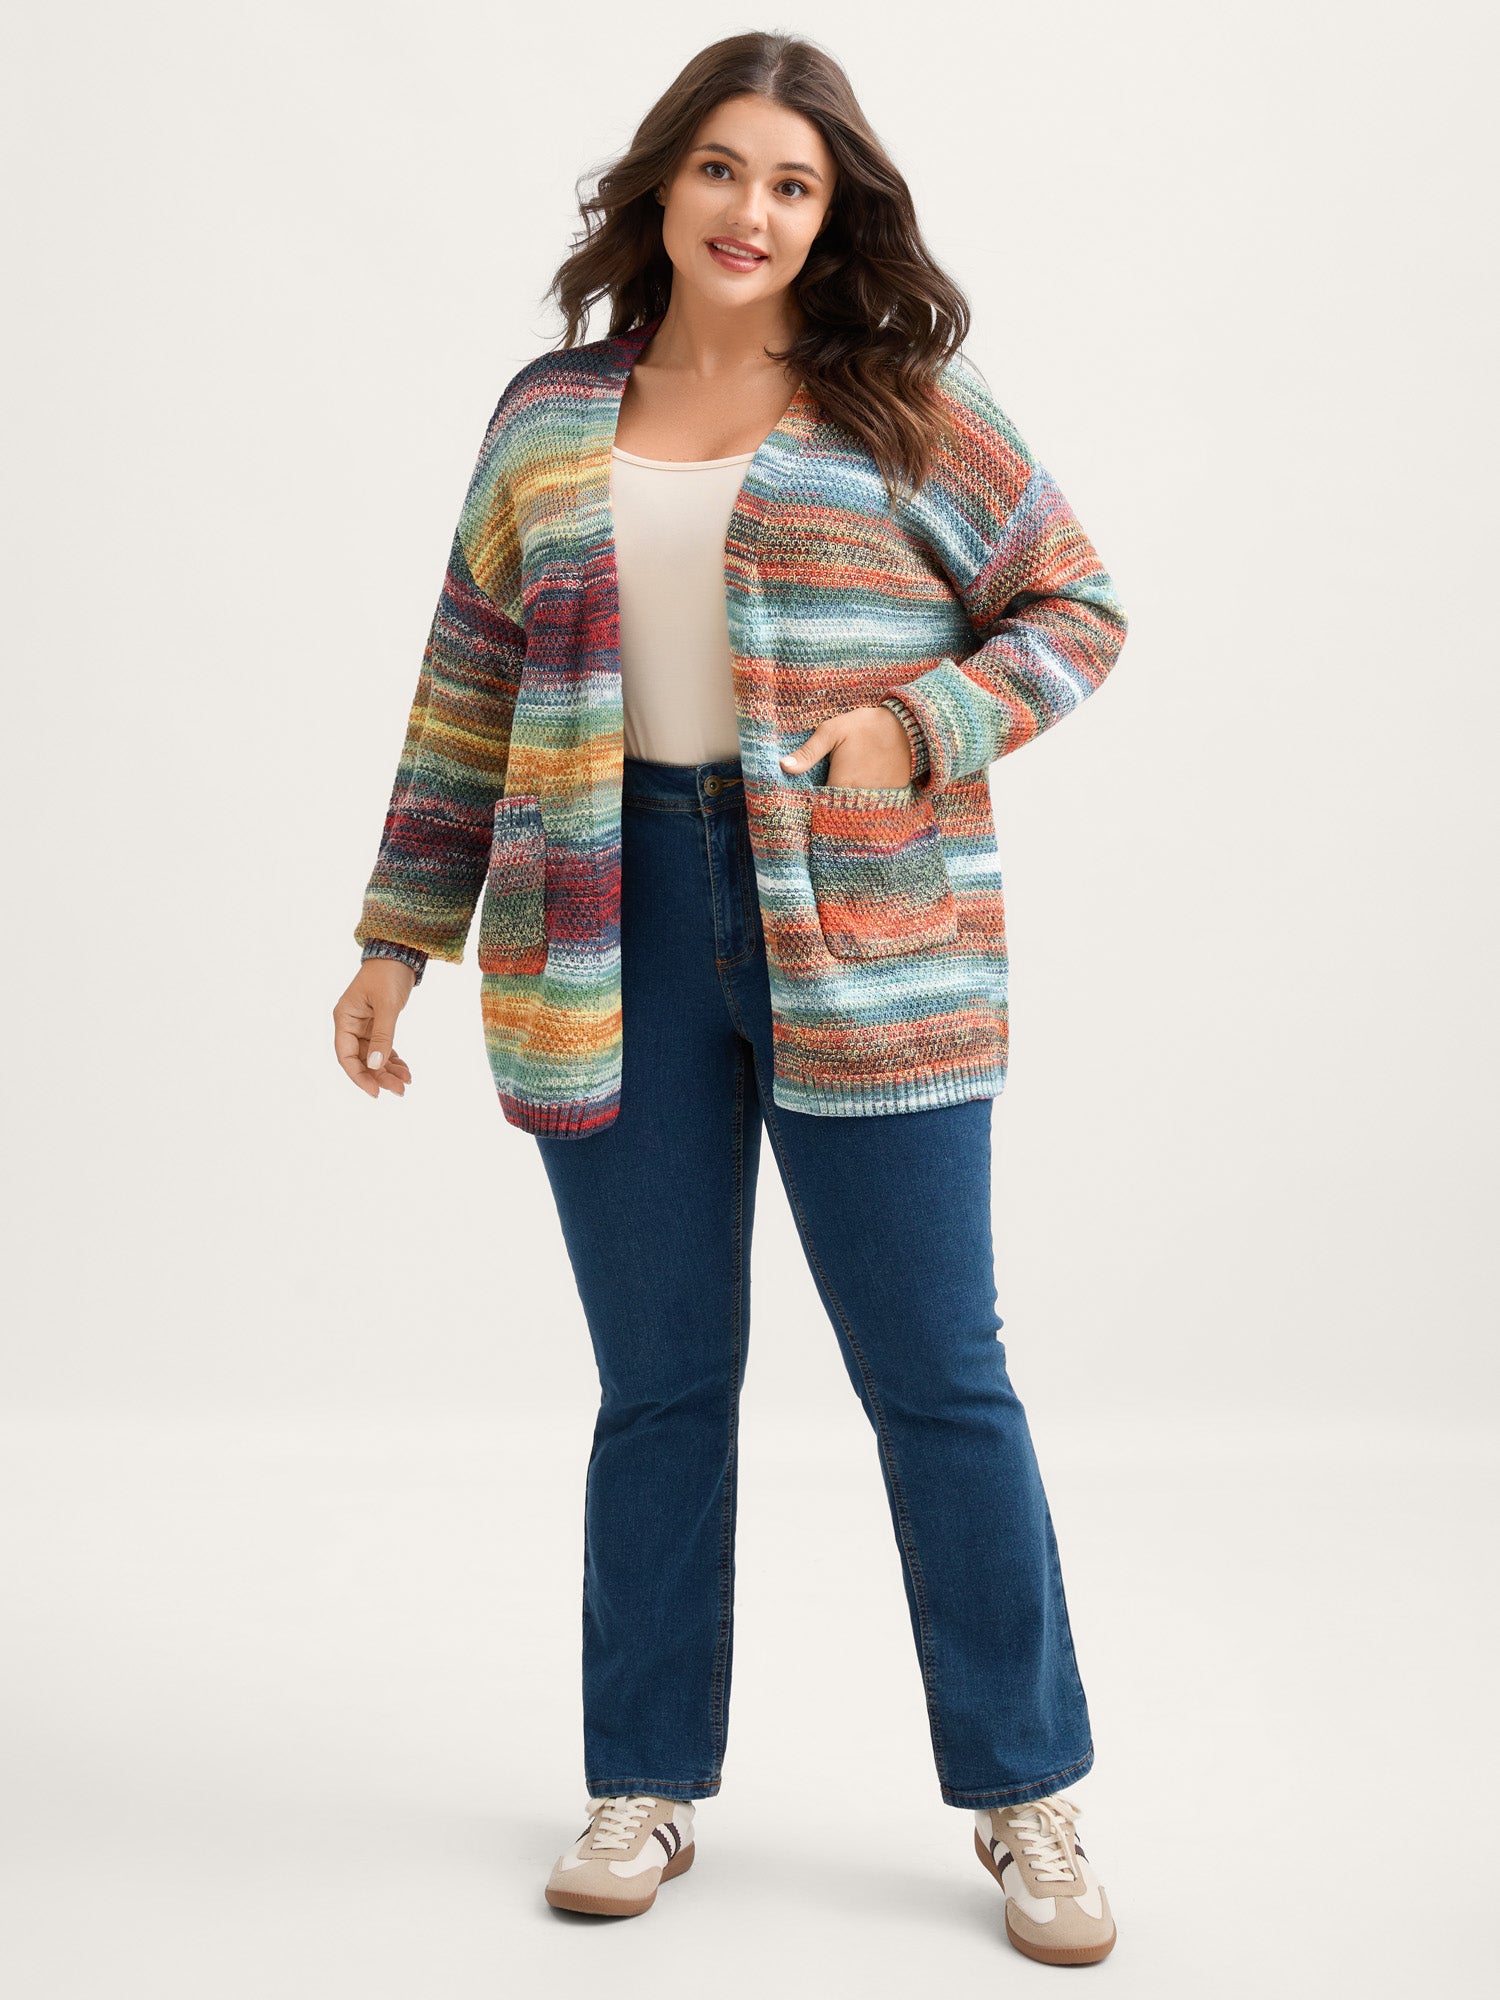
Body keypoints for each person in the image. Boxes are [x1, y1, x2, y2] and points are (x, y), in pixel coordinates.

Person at [332, 31, 1128, 1966]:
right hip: (601, 923)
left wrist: (919, 725)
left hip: (871, 941)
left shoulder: (907, 406)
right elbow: (468, 683)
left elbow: (1076, 608)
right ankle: (643, 1779)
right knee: (662, 1381)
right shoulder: (549, 417)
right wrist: (397, 936)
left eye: (791, 182)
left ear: (833, 212)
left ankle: (1029, 1794)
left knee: (938, 1375)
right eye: (719, 169)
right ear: (662, 184)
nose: (749, 210)